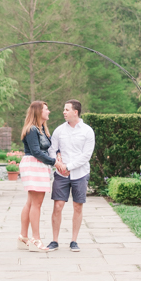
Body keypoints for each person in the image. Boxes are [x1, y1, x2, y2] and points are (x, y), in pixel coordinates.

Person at [46, 99, 95, 252]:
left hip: (80, 173)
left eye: (67, 109)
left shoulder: (87, 131)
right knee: (58, 206)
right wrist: (59, 165)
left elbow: (86, 155)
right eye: (64, 109)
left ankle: (74, 241)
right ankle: (54, 240)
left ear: (76, 112)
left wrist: (69, 166)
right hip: (61, 174)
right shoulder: (59, 130)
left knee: (77, 206)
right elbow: (52, 150)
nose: (64, 112)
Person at [18, 100, 56, 252]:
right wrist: (54, 162)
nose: (49, 111)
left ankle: (23, 237)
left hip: (37, 165)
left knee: (31, 202)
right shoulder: (32, 130)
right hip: (34, 165)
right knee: (36, 204)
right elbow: (36, 152)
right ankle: (36, 239)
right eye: (46, 109)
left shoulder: (41, 129)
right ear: (38, 112)